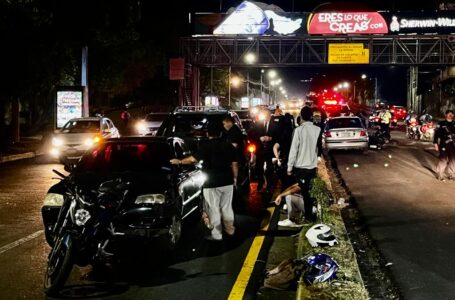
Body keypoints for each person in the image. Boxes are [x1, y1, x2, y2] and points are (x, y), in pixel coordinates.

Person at [170, 123, 238, 241]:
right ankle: (230, 230)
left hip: (211, 183)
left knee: (214, 208)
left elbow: (193, 159)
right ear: (220, 133)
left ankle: (217, 234)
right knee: (227, 207)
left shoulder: (205, 146)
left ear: (208, 133)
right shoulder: (228, 146)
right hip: (227, 181)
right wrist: (235, 178)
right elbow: (235, 164)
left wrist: (179, 161)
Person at [287, 106, 322, 223]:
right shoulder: (317, 130)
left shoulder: (298, 130)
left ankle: (308, 217)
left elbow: (293, 150)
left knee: (305, 193)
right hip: (312, 167)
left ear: (301, 116)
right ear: (311, 116)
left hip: (301, 167)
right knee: (309, 192)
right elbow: (318, 149)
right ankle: (310, 214)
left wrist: (289, 167)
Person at [248, 109, 277, 194]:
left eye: (266, 114)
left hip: (270, 150)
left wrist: (271, 138)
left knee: (269, 168)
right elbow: (251, 135)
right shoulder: (258, 124)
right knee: (259, 168)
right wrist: (260, 138)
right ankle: (260, 183)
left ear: (270, 115)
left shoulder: (274, 124)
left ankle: (269, 185)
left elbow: (279, 135)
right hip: (260, 149)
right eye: (263, 114)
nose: (264, 116)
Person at [433, 109, 455, 181]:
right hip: (443, 144)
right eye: (449, 114)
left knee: (453, 160)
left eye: (451, 114)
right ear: (445, 115)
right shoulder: (441, 124)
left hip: (453, 145)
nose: (450, 116)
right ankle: (440, 175)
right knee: (443, 160)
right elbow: (436, 134)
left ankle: (451, 174)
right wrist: (435, 143)